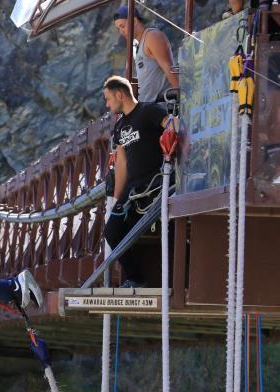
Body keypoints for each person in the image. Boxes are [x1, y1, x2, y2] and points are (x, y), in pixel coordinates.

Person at [103, 75, 172, 288]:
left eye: (108, 99)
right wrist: (115, 201)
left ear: (119, 94)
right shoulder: (120, 126)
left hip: (156, 185)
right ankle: (135, 278)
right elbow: (121, 164)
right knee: (112, 232)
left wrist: (173, 130)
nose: (107, 104)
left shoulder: (148, 111)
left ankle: (171, 280)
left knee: (168, 231)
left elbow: (170, 122)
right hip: (133, 191)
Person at [113, 6, 179, 103]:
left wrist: (182, 98)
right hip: (147, 104)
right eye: (118, 28)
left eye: (122, 26)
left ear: (134, 21)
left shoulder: (152, 36)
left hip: (160, 102)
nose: (121, 32)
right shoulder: (137, 45)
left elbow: (168, 67)